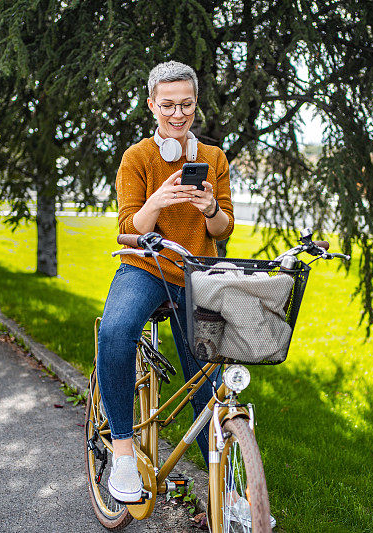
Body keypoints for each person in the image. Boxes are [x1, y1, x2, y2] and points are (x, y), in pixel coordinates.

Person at [96, 60, 234, 503]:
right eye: (168, 105)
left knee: (205, 379)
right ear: (151, 105)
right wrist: (157, 200)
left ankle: (223, 494)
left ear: (197, 105)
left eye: (187, 105)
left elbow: (224, 229)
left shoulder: (213, 158)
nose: (178, 114)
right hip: (145, 267)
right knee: (116, 330)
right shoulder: (136, 157)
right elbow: (128, 226)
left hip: (196, 272)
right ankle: (122, 455)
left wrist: (210, 208)